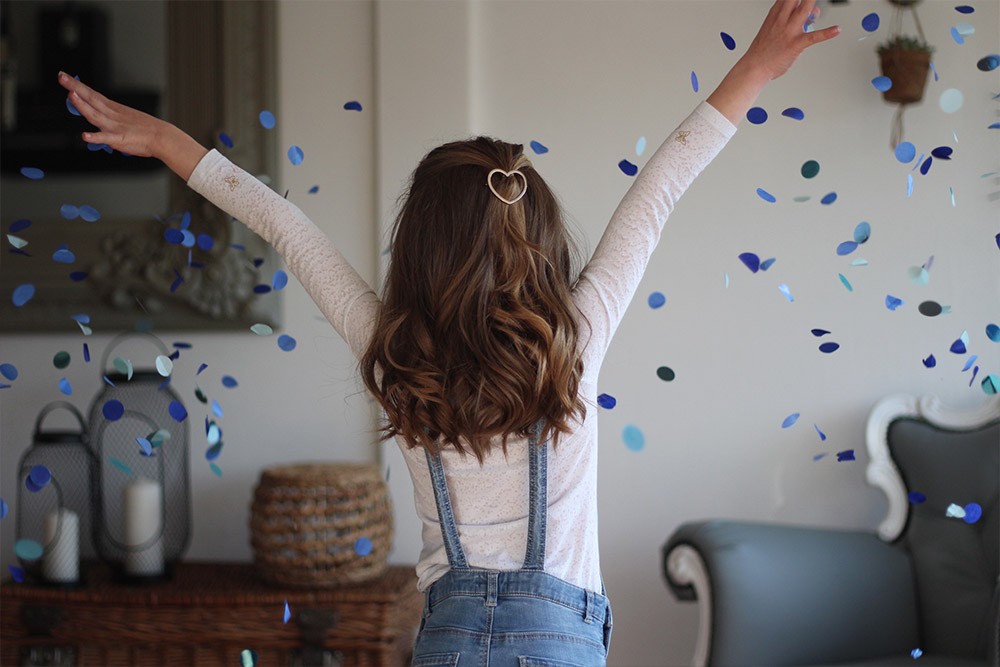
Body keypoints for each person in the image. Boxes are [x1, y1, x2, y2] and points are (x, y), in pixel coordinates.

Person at [58, 1, 838, 664]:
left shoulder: (395, 351)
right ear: (538, 240)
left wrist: (171, 143)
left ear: (421, 248)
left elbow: (287, 228)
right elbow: (659, 191)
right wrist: (755, 69)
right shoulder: (575, 338)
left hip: (447, 644)